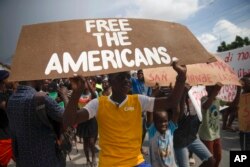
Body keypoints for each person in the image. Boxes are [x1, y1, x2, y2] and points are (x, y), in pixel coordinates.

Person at [63, 61, 187, 167]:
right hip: (109, 164)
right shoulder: (98, 104)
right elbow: (69, 121)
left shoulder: (138, 100)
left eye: (128, 76)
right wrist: (76, 92)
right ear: (110, 81)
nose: (126, 80)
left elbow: (171, 102)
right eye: (121, 77)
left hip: (136, 161)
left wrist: (181, 77)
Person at [6, 80, 68, 167]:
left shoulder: (11, 99)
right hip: (46, 160)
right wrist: (65, 96)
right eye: (41, 79)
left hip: (23, 161)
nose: (43, 82)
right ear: (34, 79)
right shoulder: (42, 98)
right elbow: (68, 118)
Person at [198, 83, 240, 167]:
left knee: (218, 157)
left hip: (216, 134)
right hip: (206, 135)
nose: (217, 90)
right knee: (210, 161)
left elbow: (234, 104)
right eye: (212, 88)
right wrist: (215, 91)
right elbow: (206, 106)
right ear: (206, 88)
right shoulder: (204, 99)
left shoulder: (218, 100)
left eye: (217, 89)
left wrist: (238, 89)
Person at [174, 84, 214, 167]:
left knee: (211, 161)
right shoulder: (177, 96)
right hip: (180, 141)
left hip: (192, 138)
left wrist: (215, 91)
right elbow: (180, 115)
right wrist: (183, 94)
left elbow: (205, 106)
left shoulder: (197, 97)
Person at [147, 87, 179, 167]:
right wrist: (153, 94)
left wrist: (175, 94)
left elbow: (177, 112)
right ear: (154, 123)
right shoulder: (153, 131)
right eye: (159, 122)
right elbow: (149, 111)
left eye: (165, 121)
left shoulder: (170, 129)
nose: (163, 124)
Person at [76, 77, 98, 167]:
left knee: (92, 142)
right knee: (85, 143)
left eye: (86, 83)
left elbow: (94, 94)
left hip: (91, 120)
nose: (84, 85)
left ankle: (93, 157)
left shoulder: (91, 94)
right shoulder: (78, 95)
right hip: (82, 121)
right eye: (83, 83)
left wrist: (87, 82)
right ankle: (88, 160)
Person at [131, 69, 153, 155]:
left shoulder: (148, 84)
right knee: (135, 130)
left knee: (144, 130)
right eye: (138, 73)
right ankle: (135, 148)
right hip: (135, 109)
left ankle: (140, 147)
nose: (140, 75)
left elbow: (150, 95)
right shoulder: (134, 81)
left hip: (145, 110)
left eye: (141, 73)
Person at [0, 70, 14, 167]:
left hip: (10, 133)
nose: (11, 80)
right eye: (8, 78)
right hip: (3, 136)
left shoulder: (8, 92)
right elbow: (6, 107)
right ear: (2, 81)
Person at [238, 74, 250, 150]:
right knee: (245, 147)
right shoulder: (241, 95)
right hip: (243, 127)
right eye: (242, 84)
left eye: (246, 83)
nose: (244, 85)